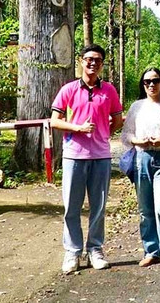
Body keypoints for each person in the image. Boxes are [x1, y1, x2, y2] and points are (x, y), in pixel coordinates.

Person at [50, 44, 123, 274]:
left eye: (98, 60)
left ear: (102, 65)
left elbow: (118, 119)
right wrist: (78, 128)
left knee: (98, 207)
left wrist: (104, 133)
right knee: (72, 206)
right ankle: (72, 252)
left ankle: (95, 249)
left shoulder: (109, 90)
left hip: (100, 156)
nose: (93, 63)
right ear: (81, 61)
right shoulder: (69, 89)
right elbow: (55, 121)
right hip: (74, 156)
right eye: (89, 59)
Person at [120, 68, 160, 268]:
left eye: (155, 80)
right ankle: (151, 250)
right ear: (143, 84)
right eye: (147, 81)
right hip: (141, 159)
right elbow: (126, 135)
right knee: (145, 209)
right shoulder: (137, 107)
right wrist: (138, 141)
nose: (151, 85)